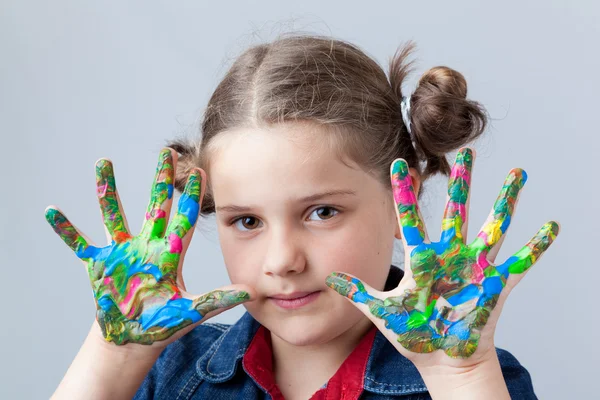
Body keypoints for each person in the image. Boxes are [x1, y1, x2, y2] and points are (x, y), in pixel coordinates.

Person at [45, 34, 559, 399]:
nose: (282, 261)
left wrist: (460, 378)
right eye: (246, 221)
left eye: (321, 212)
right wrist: (112, 357)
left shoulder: (476, 377)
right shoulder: (167, 371)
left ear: (400, 198)